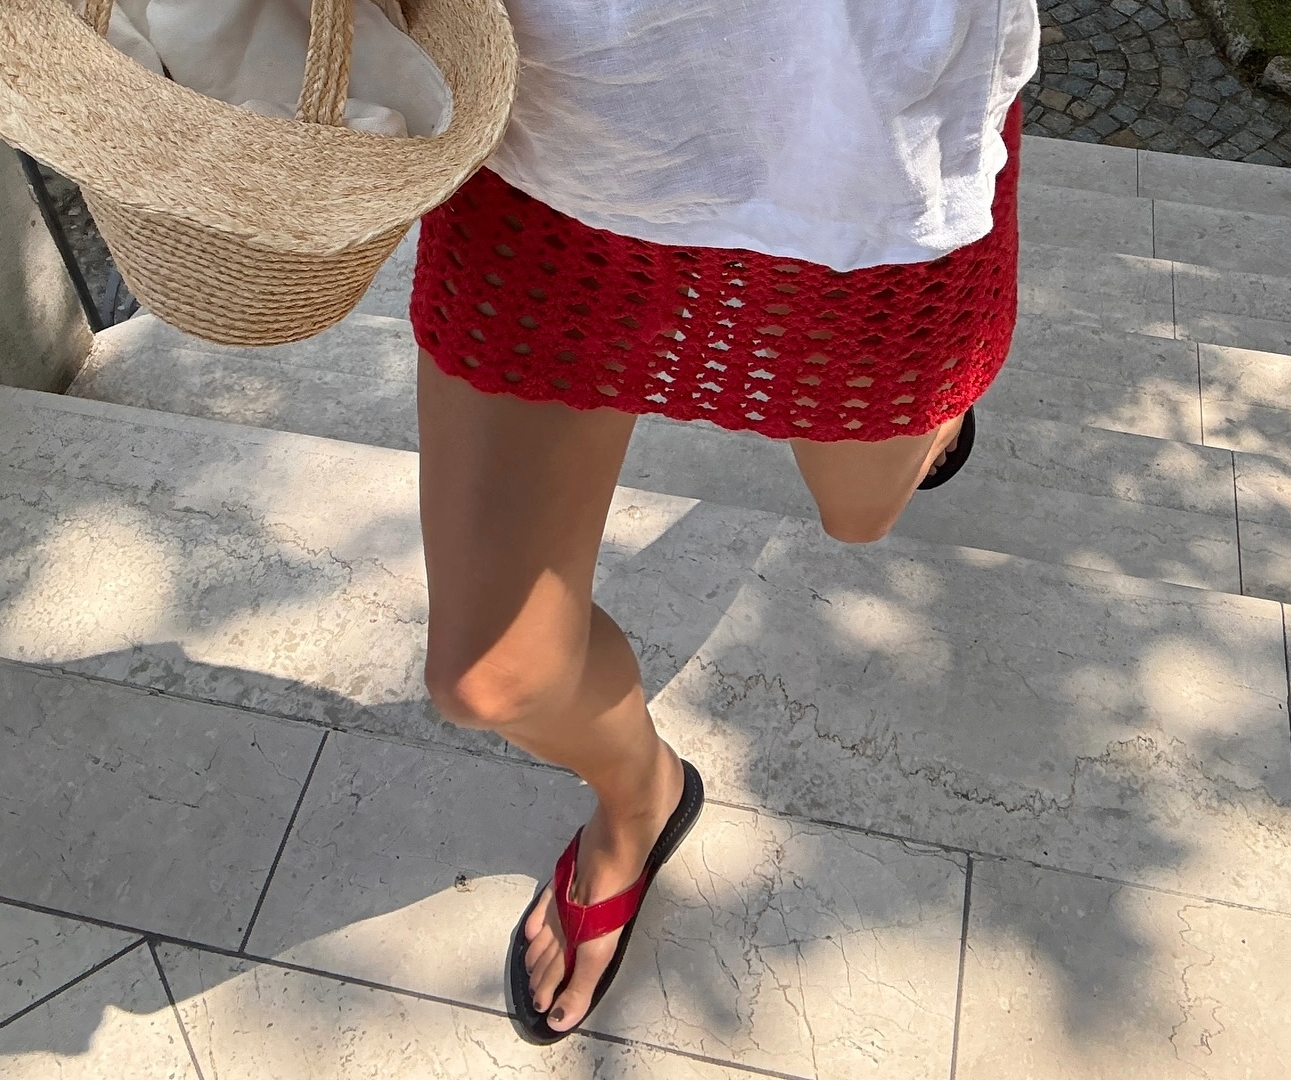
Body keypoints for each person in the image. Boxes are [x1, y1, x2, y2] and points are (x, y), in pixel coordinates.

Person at [408, 0, 1040, 1043]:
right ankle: (640, 796)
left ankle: (933, 415)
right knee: (491, 675)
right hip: (548, 126)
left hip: (867, 145)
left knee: (860, 515)